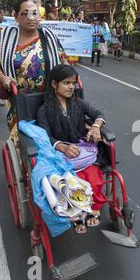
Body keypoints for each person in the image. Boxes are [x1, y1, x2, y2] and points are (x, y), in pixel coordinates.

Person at [37, 65, 108, 233]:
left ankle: (94, 208)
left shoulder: (78, 103)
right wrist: (61, 146)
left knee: (93, 177)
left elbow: (98, 113)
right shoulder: (44, 110)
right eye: (66, 83)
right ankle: (78, 214)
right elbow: (45, 136)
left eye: (73, 83)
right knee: (72, 183)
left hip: (82, 149)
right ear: (54, 84)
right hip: (61, 155)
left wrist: (96, 127)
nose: (71, 87)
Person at [0, 0, 66, 145]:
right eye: (25, 14)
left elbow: (64, 65)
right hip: (19, 103)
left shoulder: (49, 37)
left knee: (51, 142)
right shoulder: (6, 38)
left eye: (34, 13)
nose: (31, 18)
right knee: (25, 145)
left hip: (49, 101)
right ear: (16, 16)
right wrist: (2, 77)